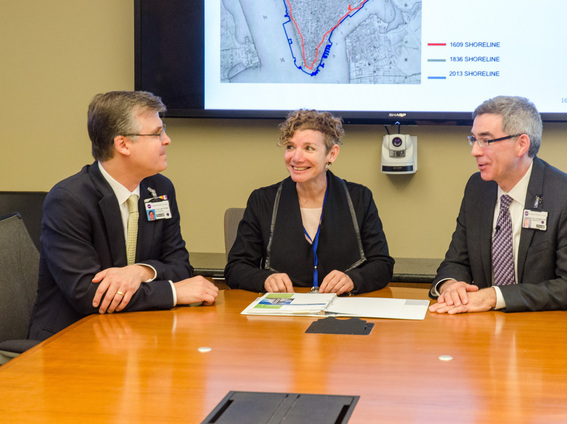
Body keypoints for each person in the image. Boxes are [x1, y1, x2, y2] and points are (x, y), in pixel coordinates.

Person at [28, 91, 218, 340]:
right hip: (69, 338)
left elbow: (180, 265)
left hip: (133, 332)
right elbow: (89, 296)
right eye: (156, 133)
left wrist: (140, 271)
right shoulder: (68, 199)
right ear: (123, 144)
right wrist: (173, 293)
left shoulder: (159, 189)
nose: (167, 140)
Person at [429, 95, 567, 315]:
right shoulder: (477, 188)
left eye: (486, 140)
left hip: (546, 327)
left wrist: (494, 296)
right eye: (474, 139)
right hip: (486, 327)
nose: (475, 151)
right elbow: (456, 260)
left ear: (521, 144)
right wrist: (451, 286)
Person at [224, 109, 394, 294]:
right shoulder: (262, 200)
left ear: (332, 154)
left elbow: (382, 265)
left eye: (309, 148)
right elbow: (236, 268)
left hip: (341, 311)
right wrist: (265, 279)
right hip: (283, 314)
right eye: (290, 147)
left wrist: (353, 279)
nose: (296, 158)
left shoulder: (359, 198)